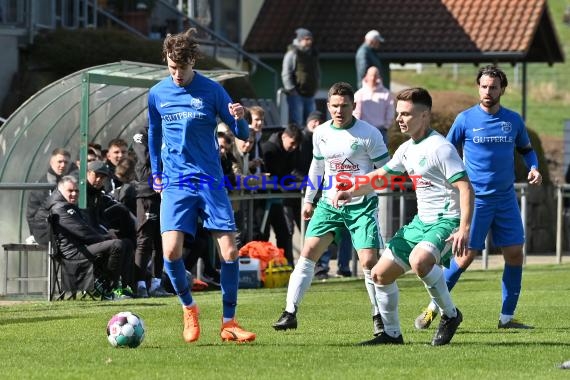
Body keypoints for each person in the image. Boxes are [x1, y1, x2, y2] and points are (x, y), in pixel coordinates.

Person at [333, 87, 473, 346]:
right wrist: (351, 190)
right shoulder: (406, 148)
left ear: (424, 115)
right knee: (379, 275)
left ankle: (450, 316)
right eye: (398, 113)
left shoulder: (440, 148)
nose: (399, 119)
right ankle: (391, 334)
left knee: (420, 261)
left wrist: (464, 228)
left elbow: (465, 187)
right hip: (421, 222)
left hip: (446, 220)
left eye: (406, 114)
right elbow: (381, 176)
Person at [414, 65, 543, 331]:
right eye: (483, 86)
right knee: (464, 257)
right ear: (478, 88)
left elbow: (527, 150)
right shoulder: (465, 120)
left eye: (493, 87)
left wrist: (533, 167)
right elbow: (445, 152)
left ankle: (507, 319)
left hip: (506, 199)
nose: (487, 91)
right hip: (476, 200)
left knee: (515, 254)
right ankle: (432, 309)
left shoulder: (513, 121)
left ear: (502, 90)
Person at [147, 28, 255, 343]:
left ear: (193, 60)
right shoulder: (157, 93)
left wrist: (239, 118)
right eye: (171, 68)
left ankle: (229, 323)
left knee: (231, 252)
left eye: (181, 67)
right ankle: (189, 308)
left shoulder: (212, 91)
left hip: (209, 179)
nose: (177, 74)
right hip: (176, 181)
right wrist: (156, 172)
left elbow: (243, 135)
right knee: (170, 251)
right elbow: (154, 134)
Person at [272, 82, 389, 338]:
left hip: (361, 205)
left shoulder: (369, 133)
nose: (339, 110)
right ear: (327, 106)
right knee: (308, 252)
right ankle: (290, 312)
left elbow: (385, 172)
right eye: (334, 106)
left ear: (353, 106)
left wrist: (360, 187)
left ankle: (378, 315)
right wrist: (308, 199)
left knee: (369, 262)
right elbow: (317, 167)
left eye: (344, 105)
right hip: (328, 205)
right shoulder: (321, 132)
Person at [46, 175, 135, 300]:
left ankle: (123, 286)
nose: (74, 194)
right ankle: (109, 289)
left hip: (82, 248)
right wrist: (106, 238)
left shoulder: (68, 206)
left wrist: (106, 236)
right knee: (117, 245)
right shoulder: (60, 208)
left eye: (76, 191)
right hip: (73, 253)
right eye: (70, 191)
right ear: (60, 190)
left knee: (127, 243)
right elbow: (83, 232)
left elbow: (85, 229)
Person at [131, 127, 173, 298]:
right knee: (145, 240)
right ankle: (140, 284)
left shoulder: (169, 131)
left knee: (160, 241)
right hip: (147, 193)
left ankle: (156, 285)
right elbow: (147, 158)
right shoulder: (141, 134)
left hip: (166, 193)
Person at [261, 123, 303, 266]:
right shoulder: (268, 149)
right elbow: (272, 175)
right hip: (263, 198)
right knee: (262, 235)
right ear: (284, 136)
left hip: (277, 197)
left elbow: (288, 172)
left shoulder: (291, 150)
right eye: (292, 144)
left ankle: (287, 266)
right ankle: (262, 268)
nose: (294, 148)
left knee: (284, 235)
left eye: (296, 145)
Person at [27, 148, 75, 245]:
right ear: (51, 162)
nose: (63, 165)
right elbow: (32, 214)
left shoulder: (68, 183)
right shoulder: (42, 185)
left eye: (66, 162)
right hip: (46, 233)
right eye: (60, 161)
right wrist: (35, 234)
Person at [281, 27, 320, 126]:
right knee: (297, 123)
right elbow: (286, 72)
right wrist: (291, 89)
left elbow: (317, 72)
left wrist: (316, 87)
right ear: (299, 39)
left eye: (310, 39)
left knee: (312, 123)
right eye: (306, 39)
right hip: (296, 94)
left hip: (310, 94)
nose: (309, 42)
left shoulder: (312, 54)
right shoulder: (292, 53)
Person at [354, 66, 395, 145]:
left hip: (381, 131)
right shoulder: (359, 94)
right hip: (363, 131)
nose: (373, 78)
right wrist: (357, 127)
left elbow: (390, 111)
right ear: (367, 76)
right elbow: (356, 112)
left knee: (381, 156)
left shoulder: (386, 94)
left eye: (375, 75)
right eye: (371, 75)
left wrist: (386, 126)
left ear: (378, 77)